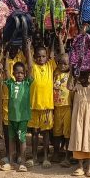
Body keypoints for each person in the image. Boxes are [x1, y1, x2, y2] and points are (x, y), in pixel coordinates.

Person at [26, 39, 58, 168]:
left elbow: (53, 54)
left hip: (47, 107)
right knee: (34, 133)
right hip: (34, 106)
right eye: (38, 56)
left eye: (43, 56)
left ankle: (45, 157)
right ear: (34, 57)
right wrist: (28, 48)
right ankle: (34, 157)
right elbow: (28, 62)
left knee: (45, 133)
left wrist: (57, 40)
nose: (41, 58)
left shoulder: (50, 66)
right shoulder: (32, 68)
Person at [68, 70, 90, 177]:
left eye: (86, 76)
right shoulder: (77, 86)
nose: (83, 78)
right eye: (81, 75)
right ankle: (80, 167)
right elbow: (69, 87)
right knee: (79, 137)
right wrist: (71, 73)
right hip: (79, 117)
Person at [3, 57, 33, 172]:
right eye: (17, 72)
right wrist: (6, 56)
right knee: (11, 139)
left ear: (25, 74)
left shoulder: (27, 83)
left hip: (23, 118)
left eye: (22, 73)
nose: (19, 75)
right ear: (14, 73)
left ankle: (23, 162)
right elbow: (6, 71)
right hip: (11, 118)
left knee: (22, 139)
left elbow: (30, 67)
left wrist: (28, 52)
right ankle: (11, 162)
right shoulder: (10, 83)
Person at [52, 51, 72, 166]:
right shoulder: (55, 72)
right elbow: (55, 56)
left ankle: (67, 156)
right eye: (60, 63)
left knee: (67, 132)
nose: (62, 66)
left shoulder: (71, 75)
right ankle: (56, 152)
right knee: (56, 132)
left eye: (65, 64)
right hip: (56, 107)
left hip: (67, 107)